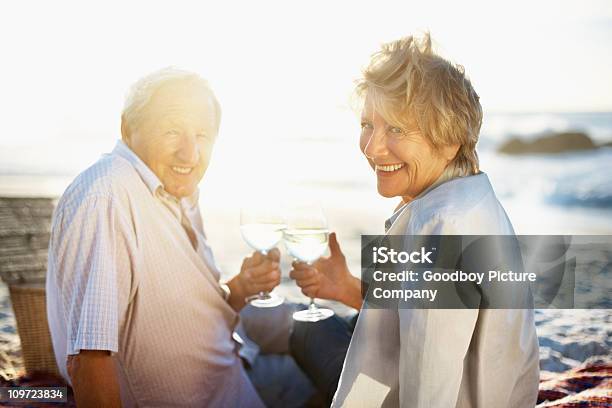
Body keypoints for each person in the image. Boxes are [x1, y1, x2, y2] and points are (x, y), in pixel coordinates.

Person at [290, 34, 540, 407]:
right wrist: (346, 288)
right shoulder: (472, 198)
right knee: (332, 330)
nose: (371, 148)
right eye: (367, 124)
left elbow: (428, 384)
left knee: (306, 332)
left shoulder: (438, 227)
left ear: (449, 139)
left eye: (396, 129)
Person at [46, 67, 315, 407]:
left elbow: (173, 312)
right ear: (128, 129)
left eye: (202, 135)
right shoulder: (109, 196)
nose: (190, 154)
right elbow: (89, 358)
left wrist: (240, 289)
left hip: (236, 363)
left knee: (347, 335)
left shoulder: (176, 191)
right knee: (352, 367)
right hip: (221, 394)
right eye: (172, 131)